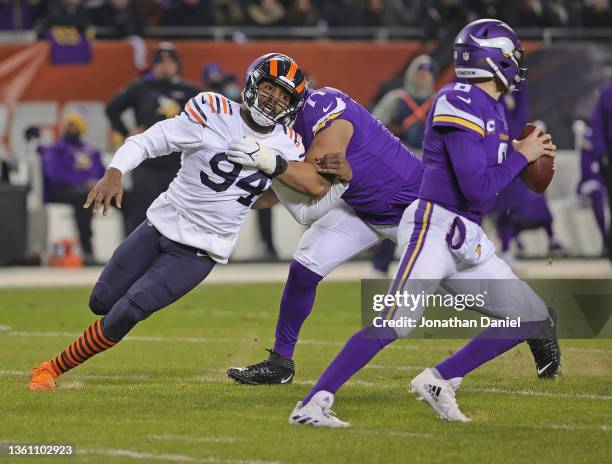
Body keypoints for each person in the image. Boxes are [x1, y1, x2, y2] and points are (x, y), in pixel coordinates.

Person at [288, 19, 559, 427]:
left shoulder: (491, 109)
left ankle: (440, 380)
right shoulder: (459, 99)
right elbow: (476, 187)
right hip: (434, 227)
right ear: (496, 59)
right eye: (513, 57)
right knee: (395, 322)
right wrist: (521, 157)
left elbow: (488, 171)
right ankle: (311, 405)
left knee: (531, 316)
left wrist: (517, 150)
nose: (516, 65)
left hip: (465, 235)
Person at [27, 53, 350, 391]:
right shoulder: (214, 111)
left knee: (130, 309)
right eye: (270, 88)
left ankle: (51, 368)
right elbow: (149, 140)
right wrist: (114, 171)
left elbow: (302, 193)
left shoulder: (291, 144)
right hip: (160, 224)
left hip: (201, 249)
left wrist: (337, 180)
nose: (274, 100)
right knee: (101, 302)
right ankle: (140, 300)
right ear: (253, 83)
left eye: (284, 96)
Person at [105, 42, 201, 236]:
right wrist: (126, 133)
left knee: (181, 214)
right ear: (154, 65)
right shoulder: (141, 88)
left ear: (177, 64)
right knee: (141, 213)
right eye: (160, 62)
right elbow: (112, 108)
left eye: (169, 61)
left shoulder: (192, 92)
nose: (165, 66)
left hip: (180, 165)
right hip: (147, 164)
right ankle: (131, 259)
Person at [370, 55, 436, 276]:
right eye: (420, 71)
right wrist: (390, 134)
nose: (424, 76)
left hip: (429, 164)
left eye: (428, 72)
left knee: (430, 219)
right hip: (401, 162)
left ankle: (427, 267)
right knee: (397, 214)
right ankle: (381, 264)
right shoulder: (397, 98)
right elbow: (373, 125)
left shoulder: (438, 102)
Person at [39, 112, 105, 265]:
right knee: (83, 197)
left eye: (75, 125)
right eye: (69, 125)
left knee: (127, 197)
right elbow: (55, 176)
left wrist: (98, 183)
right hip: (62, 192)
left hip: (93, 191)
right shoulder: (56, 150)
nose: (71, 128)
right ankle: (87, 249)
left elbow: (104, 173)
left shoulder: (92, 151)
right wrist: (84, 182)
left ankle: (129, 247)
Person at [578, 80, 611, 258]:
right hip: (598, 173)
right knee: (596, 192)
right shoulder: (591, 130)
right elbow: (588, 163)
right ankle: (606, 241)